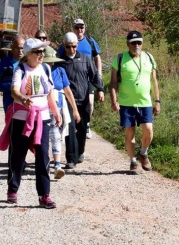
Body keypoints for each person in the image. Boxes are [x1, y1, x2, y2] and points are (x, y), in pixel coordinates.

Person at [3, 38, 60, 208]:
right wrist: (22, 98)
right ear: (28, 54)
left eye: (43, 51)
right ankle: (12, 189)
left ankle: (44, 195)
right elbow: (13, 91)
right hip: (22, 118)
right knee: (18, 156)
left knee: (43, 155)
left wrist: (56, 112)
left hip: (42, 118)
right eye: (38, 52)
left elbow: (50, 93)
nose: (42, 55)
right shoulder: (20, 70)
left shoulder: (45, 69)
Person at [109, 30, 160, 174]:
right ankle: (133, 161)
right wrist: (114, 100)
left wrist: (157, 101)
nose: (136, 45)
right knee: (130, 132)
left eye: (139, 42)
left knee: (148, 129)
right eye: (133, 43)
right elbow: (113, 83)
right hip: (126, 103)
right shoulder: (119, 59)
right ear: (127, 44)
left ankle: (143, 153)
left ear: (142, 43)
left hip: (145, 102)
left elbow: (154, 81)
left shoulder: (149, 58)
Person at [57, 31, 104, 169]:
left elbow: (94, 75)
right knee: (70, 128)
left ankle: (80, 152)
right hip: (67, 101)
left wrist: (100, 89)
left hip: (83, 99)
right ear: (63, 46)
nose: (71, 49)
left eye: (73, 46)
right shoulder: (60, 62)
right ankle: (71, 159)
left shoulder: (85, 58)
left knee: (82, 128)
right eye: (68, 47)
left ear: (77, 45)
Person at [42, 45, 80, 180]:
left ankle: (57, 165)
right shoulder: (37, 72)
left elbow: (68, 91)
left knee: (56, 135)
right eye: (47, 60)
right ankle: (43, 163)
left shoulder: (60, 71)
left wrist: (75, 110)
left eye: (51, 60)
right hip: (41, 108)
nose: (50, 63)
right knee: (43, 138)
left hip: (57, 107)